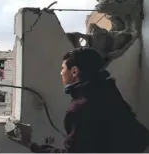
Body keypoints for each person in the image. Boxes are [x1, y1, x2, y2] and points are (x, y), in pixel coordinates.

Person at [8, 47, 149, 153]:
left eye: (63, 68)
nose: (61, 72)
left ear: (74, 71)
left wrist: (30, 145)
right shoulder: (108, 91)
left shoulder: (80, 108)